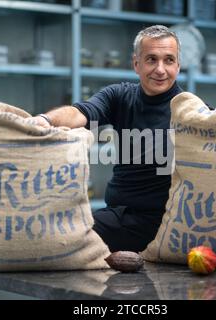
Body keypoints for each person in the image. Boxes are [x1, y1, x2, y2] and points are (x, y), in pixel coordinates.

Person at [31, 25, 182, 253]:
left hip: (160, 222)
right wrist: (45, 120)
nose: (160, 69)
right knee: (50, 230)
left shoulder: (189, 109)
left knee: (57, 238)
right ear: (136, 64)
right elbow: (81, 112)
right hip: (116, 216)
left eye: (168, 60)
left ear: (178, 66)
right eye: (151, 59)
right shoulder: (119, 95)